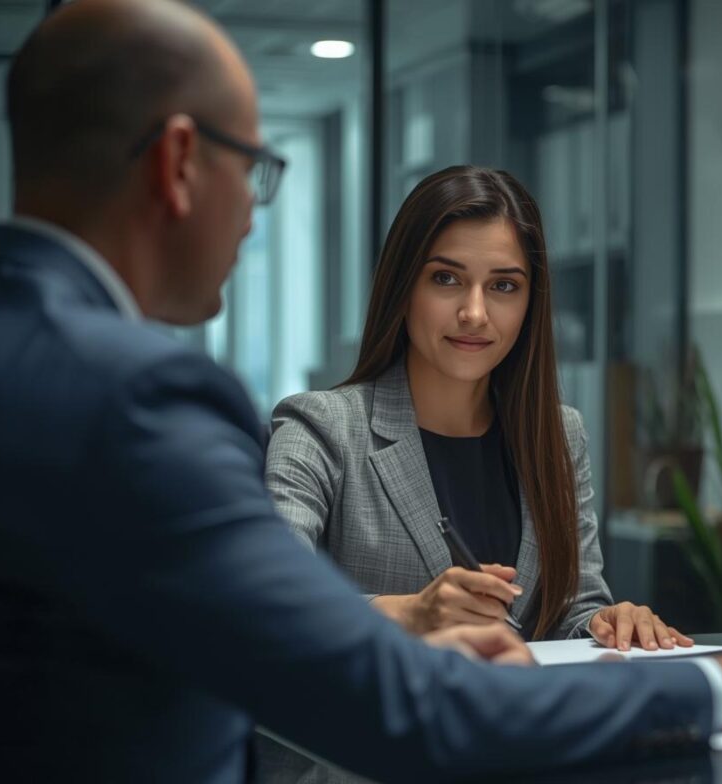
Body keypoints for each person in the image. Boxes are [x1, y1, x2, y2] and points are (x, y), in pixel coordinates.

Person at [0, 1, 722, 781]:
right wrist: (720, 688)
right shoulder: (146, 400)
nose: (251, 211)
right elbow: (368, 697)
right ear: (176, 161)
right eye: (252, 168)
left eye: (506, 286)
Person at [266, 166, 683, 650]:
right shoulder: (319, 428)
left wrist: (606, 623)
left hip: (523, 717)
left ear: (531, 302)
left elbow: (573, 607)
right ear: (403, 290)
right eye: (446, 279)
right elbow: (271, 595)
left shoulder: (560, 434)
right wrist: (407, 613)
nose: (475, 313)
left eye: (504, 286)